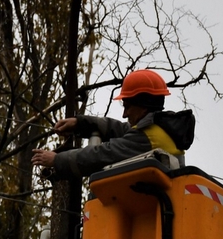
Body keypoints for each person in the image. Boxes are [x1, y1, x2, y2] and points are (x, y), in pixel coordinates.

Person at [32, 69, 195, 179]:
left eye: (127, 107)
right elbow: (120, 128)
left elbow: (102, 155)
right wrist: (80, 123)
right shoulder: (159, 128)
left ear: (143, 105)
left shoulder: (145, 137)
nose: (124, 114)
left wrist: (57, 160)